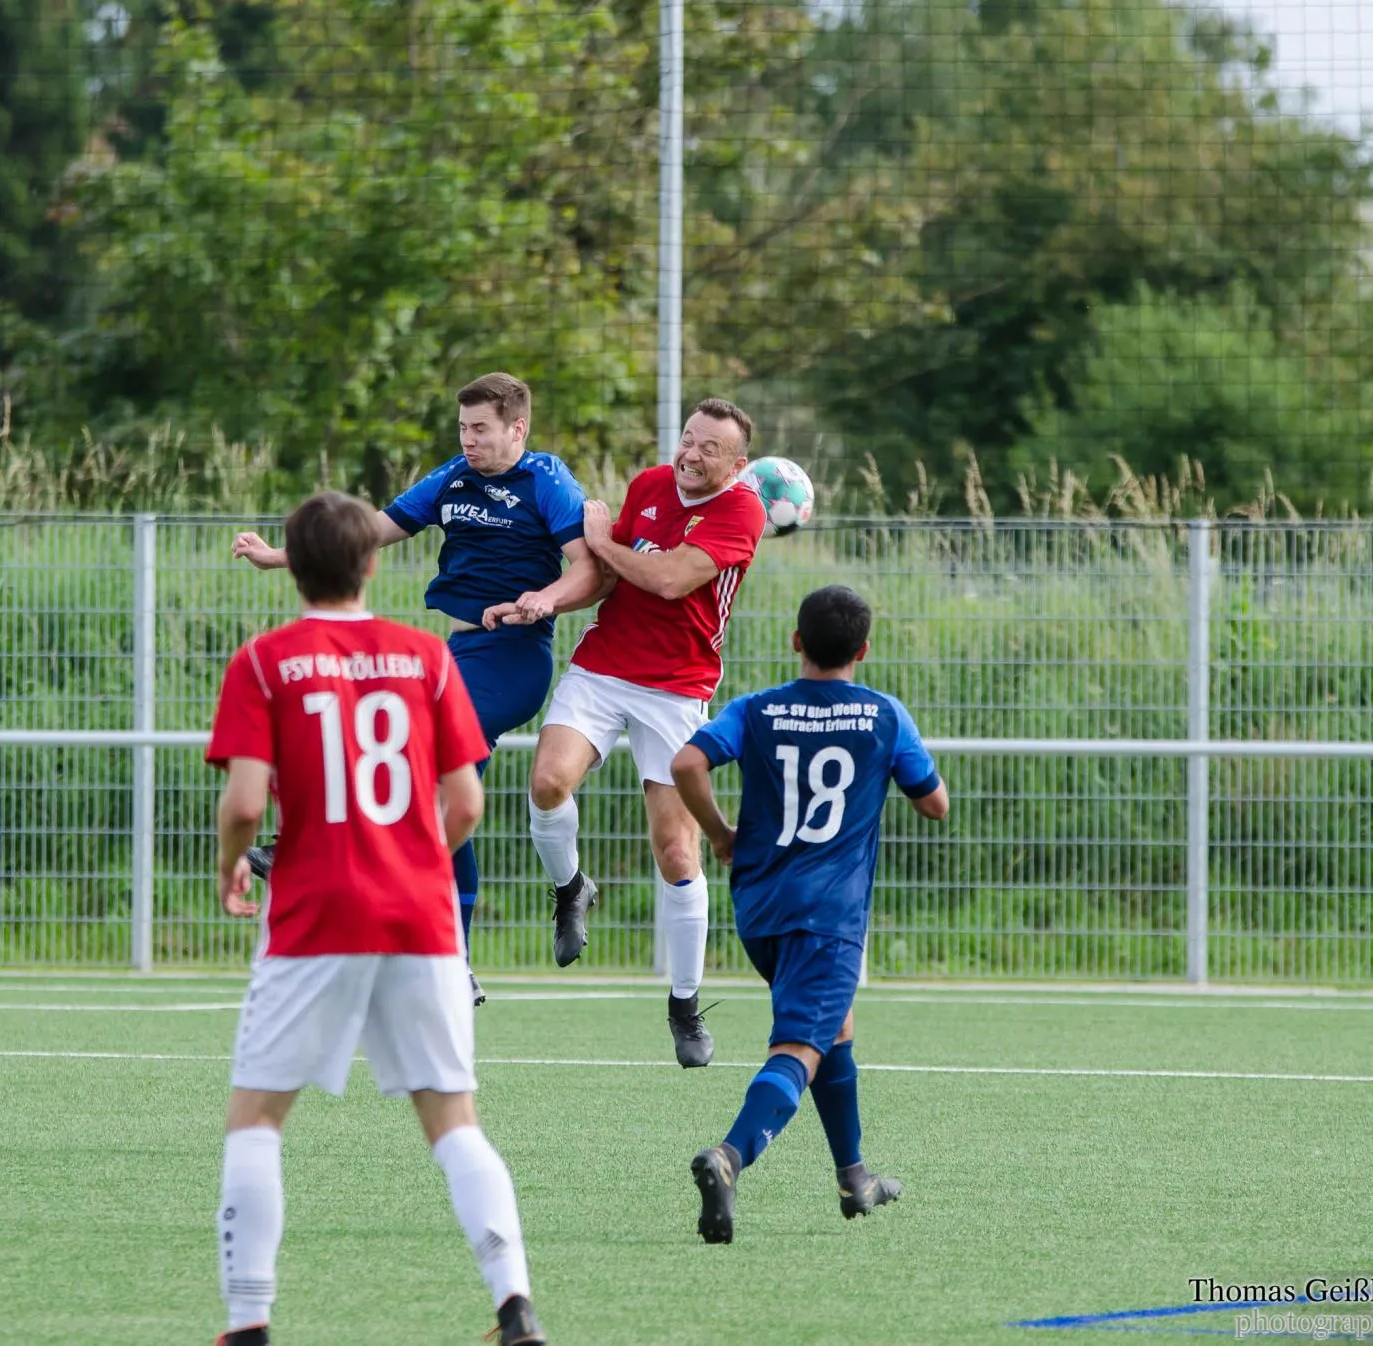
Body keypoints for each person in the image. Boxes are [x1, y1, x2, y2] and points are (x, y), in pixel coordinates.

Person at [207, 492, 546, 1346]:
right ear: (370, 563)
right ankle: (514, 1305)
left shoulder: (264, 661)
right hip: (421, 919)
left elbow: (244, 805)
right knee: (454, 1124)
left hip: (315, 916)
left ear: (293, 567)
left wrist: (229, 865)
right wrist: (418, 857)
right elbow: (465, 802)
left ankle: (247, 1324)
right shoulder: (427, 656)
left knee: (257, 1121)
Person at [233, 373, 594, 1006]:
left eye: (480, 429)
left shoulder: (547, 480)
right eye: (462, 428)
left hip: (512, 661)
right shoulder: (453, 478)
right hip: (459, 655)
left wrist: (547, 598)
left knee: (418, 763)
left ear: (518, 428)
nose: (468, 440)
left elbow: (589, 567)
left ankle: (315, 858)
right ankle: (455, 958)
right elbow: (366, 531)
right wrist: (278, 555)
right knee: (426, 787)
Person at [482, 398, 765, 1068]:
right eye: (688, 439)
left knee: (676, 853)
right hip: (603, 669)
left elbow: (667, 580)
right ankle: (571, 889)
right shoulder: (649, 485)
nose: (691, 454)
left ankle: (684, 1005)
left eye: (710, 448)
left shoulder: (742, 511)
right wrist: (544, 601)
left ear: (738, 465)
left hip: (678, 688)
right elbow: (608, 580)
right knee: (547, 783)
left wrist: (603, 538)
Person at [668, 584, 949, 1244]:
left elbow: (687, 762)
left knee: (834, 1027)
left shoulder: (757, 708)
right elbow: (935, 804)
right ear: (864, 650)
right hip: (827, 916)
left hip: (759, 906)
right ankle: (730, 1156)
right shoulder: (883, 714)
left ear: (796, 641)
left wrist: (719, 833)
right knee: (798, 1047)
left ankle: (855, 1178)